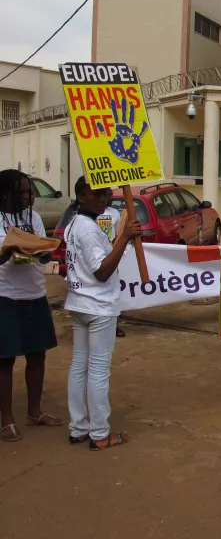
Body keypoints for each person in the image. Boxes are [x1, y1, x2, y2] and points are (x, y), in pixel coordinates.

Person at [64, 177, 141, 450]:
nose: (103, 199)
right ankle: (99, 433)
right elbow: (102, 271)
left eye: (106, 194)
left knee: (79, 367)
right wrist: (124, 237)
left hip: (80, 303)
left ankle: (79, 427)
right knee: (96, 371)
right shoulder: (86, 229)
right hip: (97, 306)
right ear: (81, 196)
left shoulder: (76, 224)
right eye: (97, 194)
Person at [0, 169, 61, 442]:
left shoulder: (33, 218)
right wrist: (6, 251)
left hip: (35, 294)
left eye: (28, 192)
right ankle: (6, 420)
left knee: (38, 354)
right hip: (5, 296)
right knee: (5, 359)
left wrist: (45, 252)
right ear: (5, 194)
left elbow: (40, 257)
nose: (27, 196)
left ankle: (34, 411)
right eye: (21, 192)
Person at [96, 189, 125, 338]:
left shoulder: (114, 213)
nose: (109, 197)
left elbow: (118, 235)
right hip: (95, 258)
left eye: (110, 194)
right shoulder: (90, 214)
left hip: (111, 257)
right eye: (107, 194)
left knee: (114, 291)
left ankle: (115, 325)